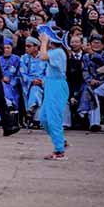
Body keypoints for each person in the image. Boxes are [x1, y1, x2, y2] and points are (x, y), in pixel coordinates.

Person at [37, 26, 69, 160]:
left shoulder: (58, 52)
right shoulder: (56, 51)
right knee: (44, 118)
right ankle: (60, 141)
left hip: (57, 86)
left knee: (53, 118)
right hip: (51, 84)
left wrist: (44, 42)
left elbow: (43, 56)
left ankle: (59, 150)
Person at [19, 36, 46, 127]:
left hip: (42, 83)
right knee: (35, 89)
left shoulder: (44, 57)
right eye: (26, 46)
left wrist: (42, 81)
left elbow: (48, 73)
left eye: (29, 46)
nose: (26, 48)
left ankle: (30, 112)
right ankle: (31, 110)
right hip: (28, 83)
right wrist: (32, 81)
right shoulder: (24, 58)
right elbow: (23, 73)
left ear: (36, 47)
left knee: (37, 89)